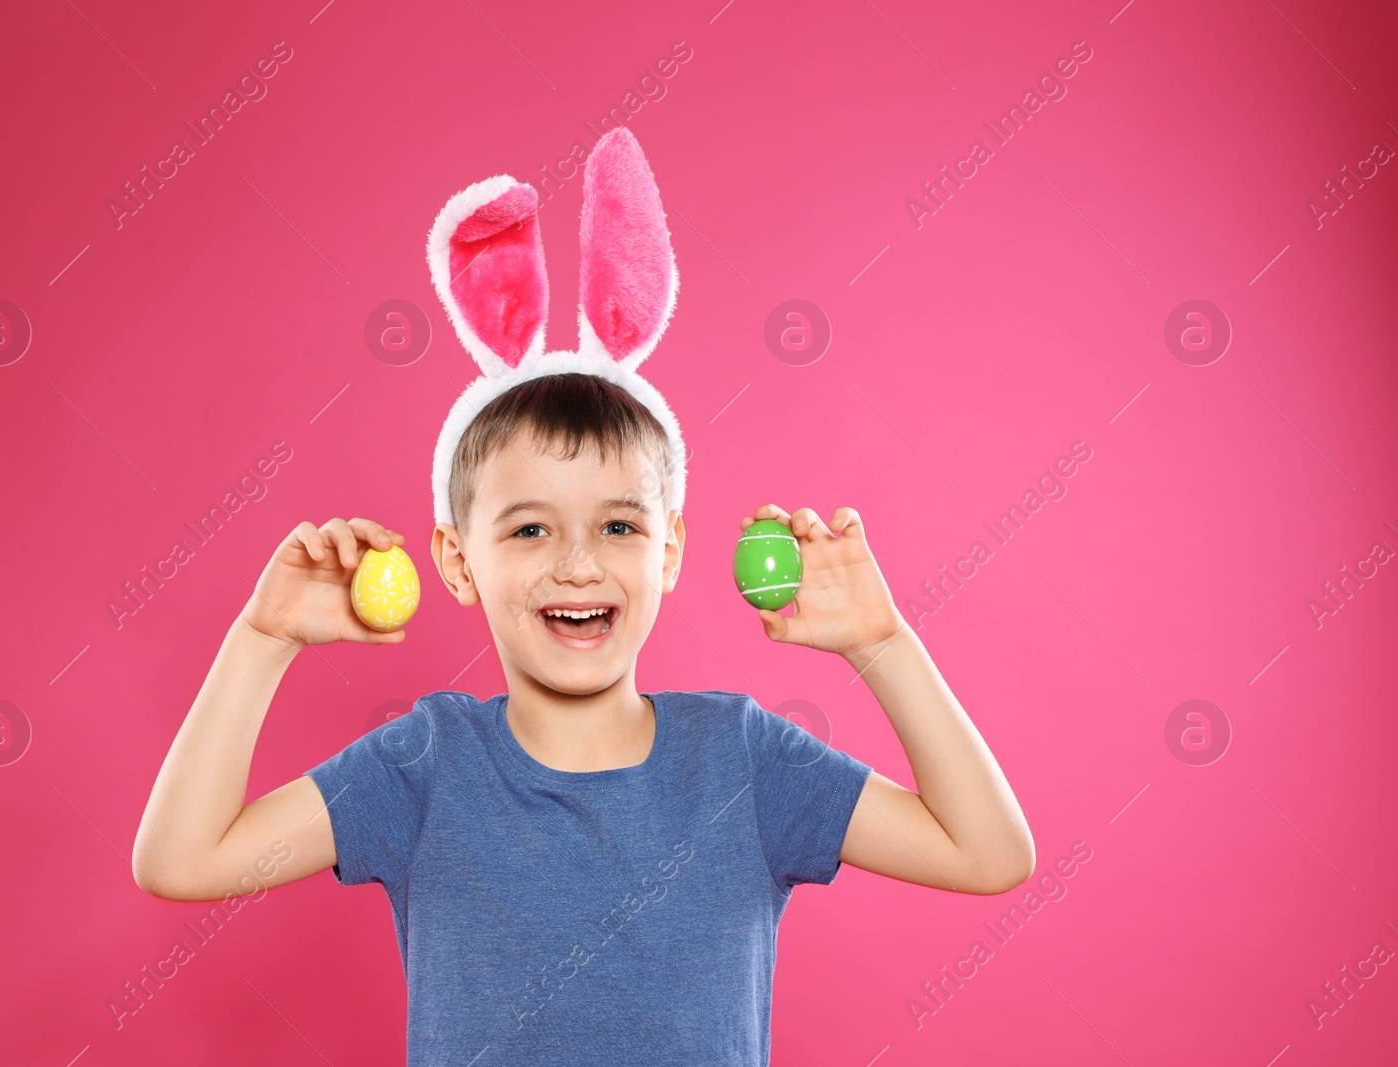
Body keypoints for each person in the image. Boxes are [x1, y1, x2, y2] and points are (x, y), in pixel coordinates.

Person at [131, 129, 1032, 1064]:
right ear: (456, 559)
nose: (577, 564)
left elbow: (989, 853)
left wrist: (879, 644)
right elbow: (181, 860)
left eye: (618, 526)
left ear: (671, 546)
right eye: (528, 529)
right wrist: (263, 637)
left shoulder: (744, 760)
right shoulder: (423, 768)